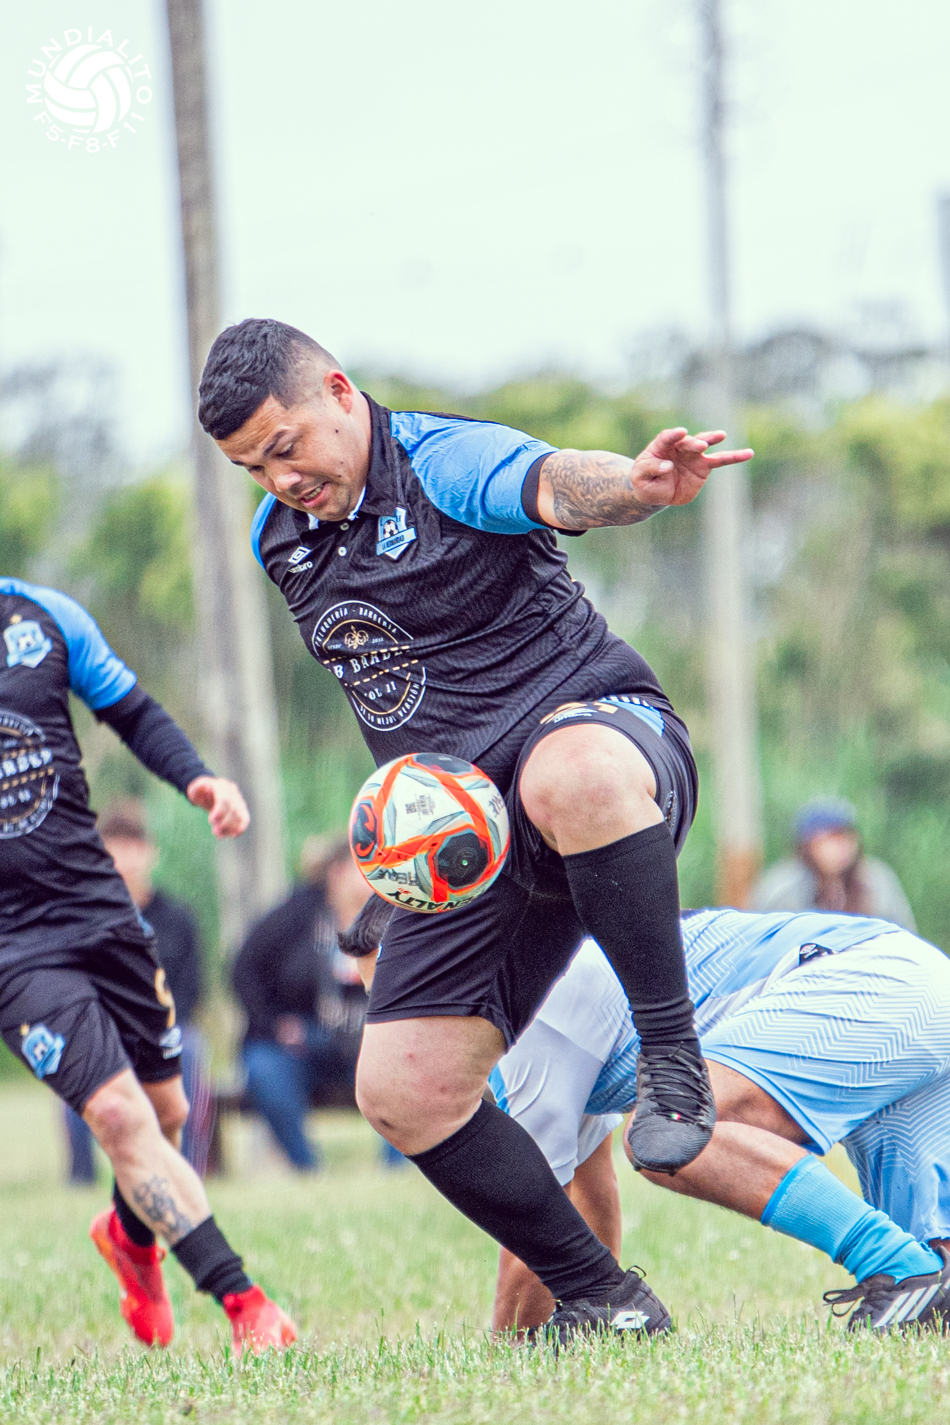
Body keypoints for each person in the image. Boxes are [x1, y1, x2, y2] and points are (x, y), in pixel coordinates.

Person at [199, 316, 754, 1340]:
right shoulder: (280, 540)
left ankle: (671, 1057)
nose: (278, 480)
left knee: (568, 772)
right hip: (476, 834)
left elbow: (551, 483)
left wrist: (635, 487)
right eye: (251, 468)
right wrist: (399, 846)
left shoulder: (441, 460)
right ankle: (604, 1300)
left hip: (604, 746)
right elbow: (402, 698)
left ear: (338, 391)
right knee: (401, 1088)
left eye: (284, 447)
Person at [0, 577, 295, 1352]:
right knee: (119, 1115)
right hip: (14, 948)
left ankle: (131, 1240)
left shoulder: (43, 616)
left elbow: (130, 711)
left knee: (165, 1112)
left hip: (100, 912)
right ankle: (244, 1303)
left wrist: (198, 777)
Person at [482, 912, 950, 1335]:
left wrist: (508, 1357)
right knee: (931, 1280)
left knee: (668, 1133)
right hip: (916, 975)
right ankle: (919, 1273)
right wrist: (602, 1309)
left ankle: (896, 1265)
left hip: (869, 980)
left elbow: (535, 1218)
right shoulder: (550, 967)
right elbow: (585, 1198)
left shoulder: (525, 1008)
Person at [62, 804, 215, 1183]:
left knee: (191, 1049)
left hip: (166, 1030)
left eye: (134, 848)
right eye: (116, 848)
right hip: (104, 1032)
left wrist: (152, 1027)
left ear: (152, 853)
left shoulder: (177, 918)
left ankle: (185, 1170)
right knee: (74, 1054)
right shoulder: (80, 917)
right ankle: (81, 1176)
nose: (127, 859)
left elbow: (190, 990)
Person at [233, 836, 401, 1169]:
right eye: (366, 867)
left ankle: (399, 1169)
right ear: (337, 872)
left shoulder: (397, 915)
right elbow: (245, 970)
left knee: (406, 1068)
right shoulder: (296, 916)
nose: (378, 875)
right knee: (263, 1067)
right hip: (307, 1042)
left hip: (374, 1040)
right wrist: (273, 1024)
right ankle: (308, 1169)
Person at [751, 798, 915, 929]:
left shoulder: (876, 880)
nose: (841, 847)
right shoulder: (783, 886)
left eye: (846, 837)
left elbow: (905, 935)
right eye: (831, 839)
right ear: (807, 845)